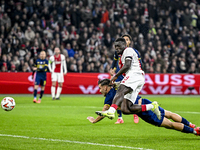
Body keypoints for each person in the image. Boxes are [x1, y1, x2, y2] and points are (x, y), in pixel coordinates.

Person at [94, 79, 200, 136]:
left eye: (100, 88)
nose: (100, 91)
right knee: (169, 114)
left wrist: (94, 121)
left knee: (170, 124)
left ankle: (195, 131)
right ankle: (191, 124)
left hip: (143, 111)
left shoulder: (109, 97)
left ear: (105, 87)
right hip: (144, 100)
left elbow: (104, 112)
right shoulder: (119, 87)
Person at [96, 37, 161, 120]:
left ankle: (111, 111)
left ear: (124, 45)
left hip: (135, 74)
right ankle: (152, 106)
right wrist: (119, 83)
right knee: (126, 109)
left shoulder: (128, 50)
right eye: (116, 47)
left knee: (120, 91)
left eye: (119, 46)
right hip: (135, 78)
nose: (117, 48)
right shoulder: (122, 56)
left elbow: (127, 65)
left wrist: (116, 76)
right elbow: (127, 73)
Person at [110, 34, 139, 123]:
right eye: (124, 40)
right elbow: (115, 62)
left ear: (129, 42)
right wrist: (113, 70)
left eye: (127, 40)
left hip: (129, 75)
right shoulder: (118, 52)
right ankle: (120, 117)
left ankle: (135, 113)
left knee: (130, 95)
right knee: (118, 95)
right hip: (120, 75)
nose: (126, 41)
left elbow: (139, 63)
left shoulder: (133, 51)